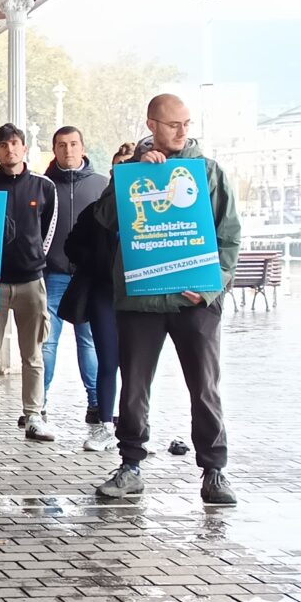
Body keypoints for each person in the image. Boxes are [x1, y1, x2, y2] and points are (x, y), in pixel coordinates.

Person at [94, 94, 240, 505]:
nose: (182, 131)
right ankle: (130, 465)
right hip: (140, 301)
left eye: (187, 124)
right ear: (152, 124)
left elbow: (229, 238)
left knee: (205, 388)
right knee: (135, 387)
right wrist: (133, 174)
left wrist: (212, 288)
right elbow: (104, 220)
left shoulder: (208, 172)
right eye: (174, 124)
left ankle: (214, 471)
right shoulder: (130, 171)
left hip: (194, 301)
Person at [0, 123, 58, 442]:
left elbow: (49, 228)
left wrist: (35, 260)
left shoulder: (43, 186)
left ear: (24, 147)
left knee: (32, 353)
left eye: (15, 143)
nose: (9, 149)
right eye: (3, 145)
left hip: (31, 282)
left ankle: (34, 415)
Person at [41, 126, 109, 439]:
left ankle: (96, 403)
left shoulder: (101, 185)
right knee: (47, 342)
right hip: (52, 274)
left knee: (89, 340)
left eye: (73, 144)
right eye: (61, 145)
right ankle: (38, 405)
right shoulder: (43, 186)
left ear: (83, 147)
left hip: (88, 277)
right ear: (53, 149)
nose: (68, 150)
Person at [64, 193, 120, 452]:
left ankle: (136, 426)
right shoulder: (96, 210)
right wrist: (98, 263)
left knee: (138, 366)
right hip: (104, 291)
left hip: (140, 294)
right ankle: (106, 424)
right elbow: (71, 246)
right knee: (107, 360)